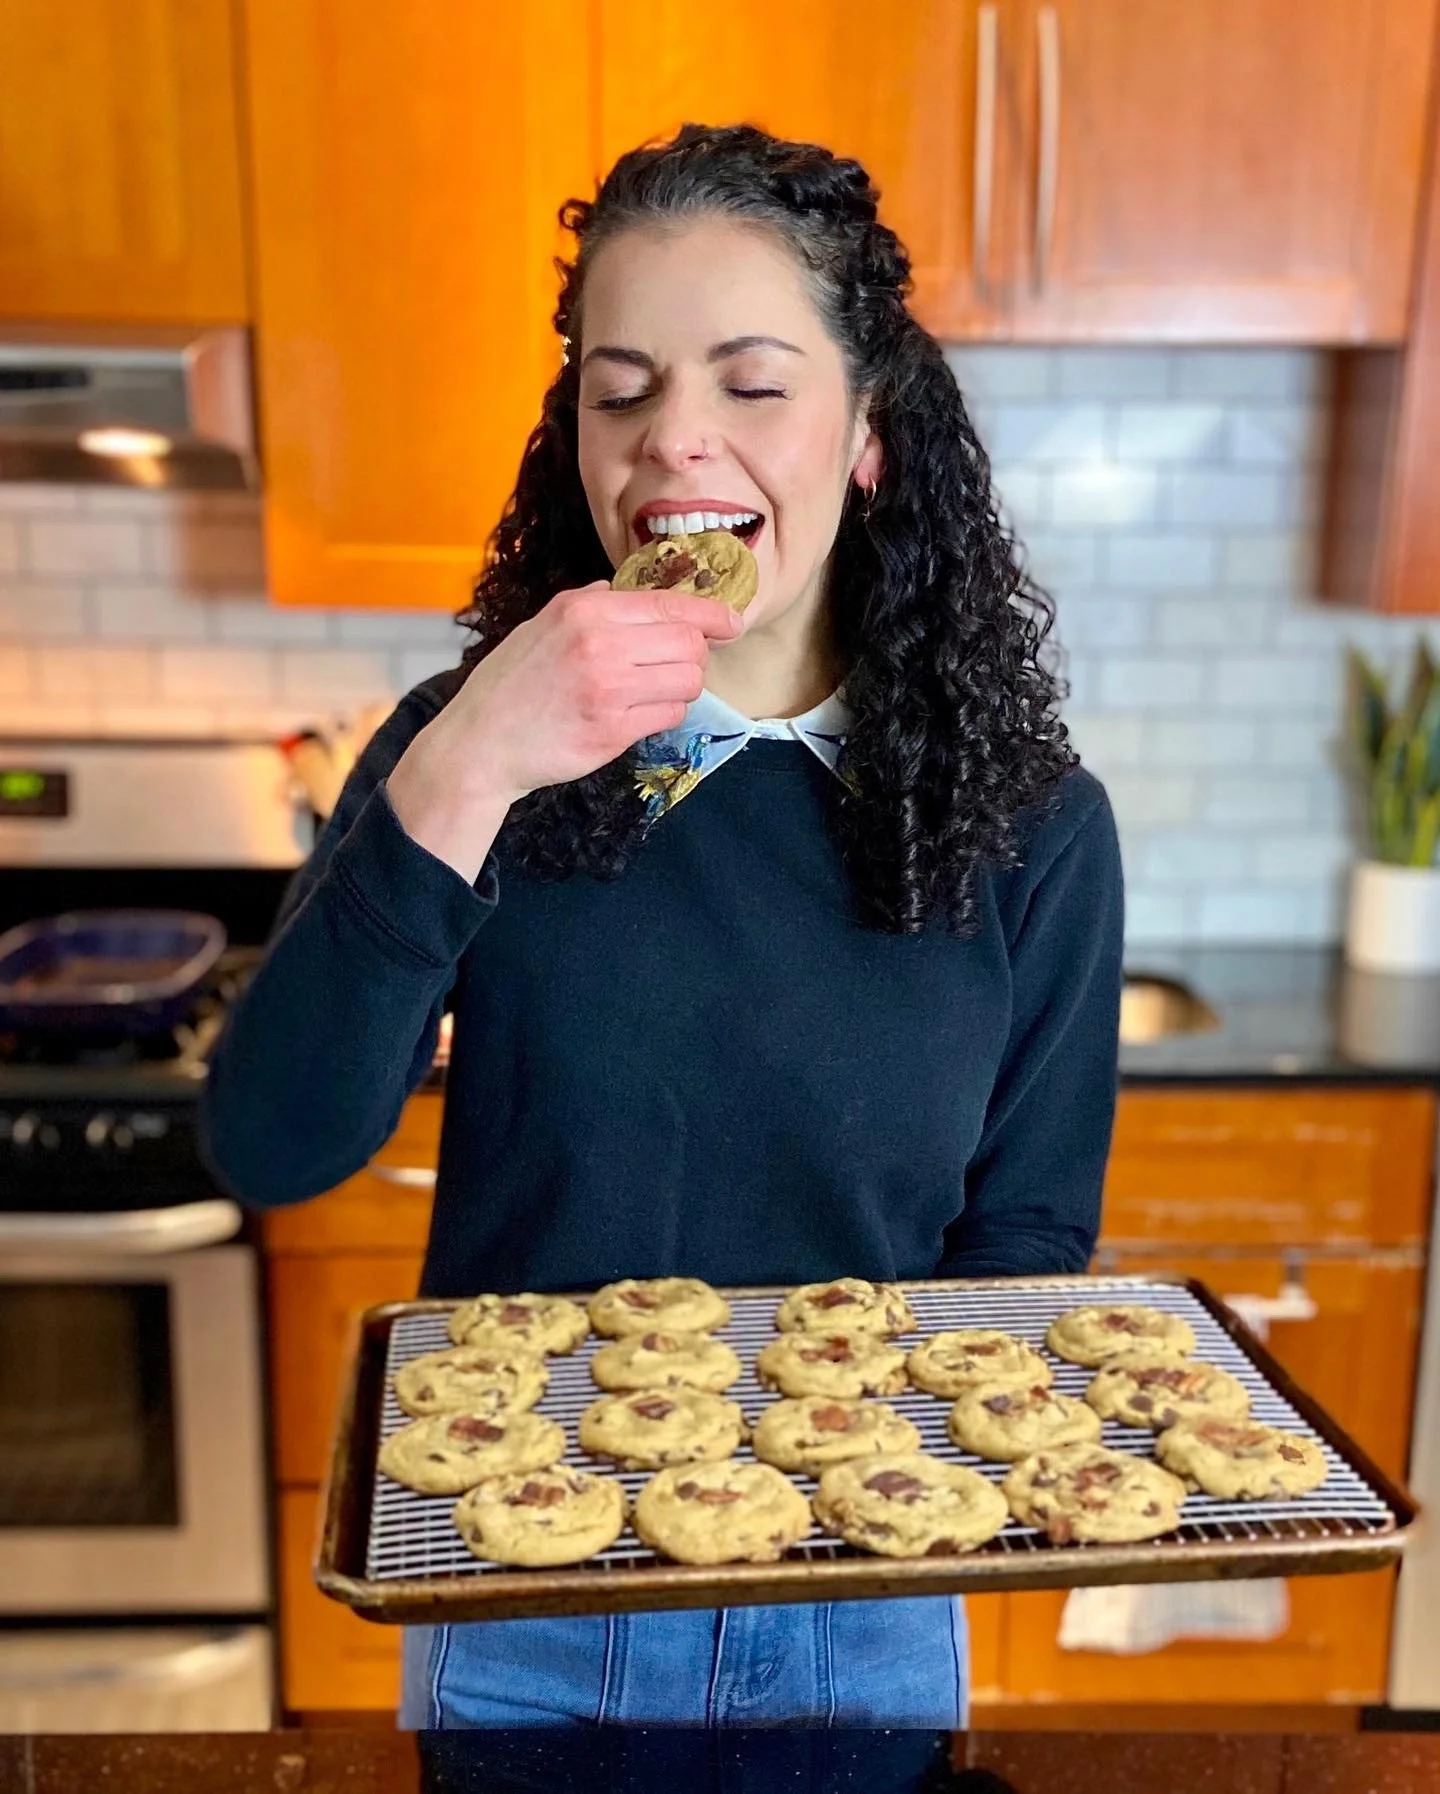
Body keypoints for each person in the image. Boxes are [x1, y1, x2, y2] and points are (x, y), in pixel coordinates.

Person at [201, 122, 1123, 1730]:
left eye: (750, 384)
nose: (674, 445)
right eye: (620, 391)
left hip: (864, 1606)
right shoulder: (470, 745)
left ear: (867, 434)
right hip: (523, 1606)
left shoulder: (1029, 823)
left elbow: (1024, 1248)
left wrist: (903, 1507)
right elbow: (270, 1142)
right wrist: (476, 759)